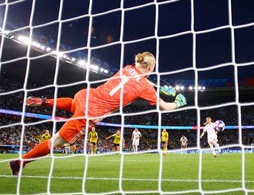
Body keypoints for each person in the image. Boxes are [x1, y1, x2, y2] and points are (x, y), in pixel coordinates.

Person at [9, 51, 187, 175]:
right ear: (150, 67)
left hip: (87, 95)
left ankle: (45, 101)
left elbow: (139, 79)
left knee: (72, 104)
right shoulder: (144, 87)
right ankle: (19, 162)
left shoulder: (127, 68)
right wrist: (176, 103)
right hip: (90, 112)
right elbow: (164, 106)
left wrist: (159, 87)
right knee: (54, 143)